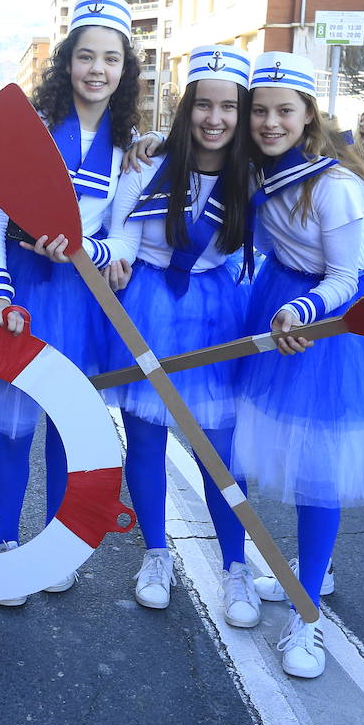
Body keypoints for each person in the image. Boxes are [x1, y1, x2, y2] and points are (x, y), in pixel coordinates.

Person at [233, 51, 364, 679]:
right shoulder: (255, 172)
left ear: (308, 115)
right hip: (282, 309)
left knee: (318, 470)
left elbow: (350, 273)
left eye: (283, 111)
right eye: (259, 111)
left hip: (333, 325)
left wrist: (303, 307)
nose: (269, 123)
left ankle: (308, 612)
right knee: (288, 459)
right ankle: (310, 573)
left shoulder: (337, 184)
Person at [0, 0, 154, 604]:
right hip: (25, 296)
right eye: (85, 56)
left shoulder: (132, 149)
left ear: (124, 69)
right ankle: (5, 545)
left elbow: (125, 238)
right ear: (67, 63)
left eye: (110, 58)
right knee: (13, 431)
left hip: (81, 303)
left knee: (64, 430)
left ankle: (54, 548)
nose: (96, 69)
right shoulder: (29, 134)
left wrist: (84, 249)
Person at [100, 46, 256, 627]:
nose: (214, 119)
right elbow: (122, 237)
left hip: (220, 312)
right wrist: (113, 261)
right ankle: (156, 556)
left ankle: (235, 567)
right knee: (145, 444)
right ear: (187, 107)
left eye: (228, 108)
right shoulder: (146, 163)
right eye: (203, 106)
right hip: (149, 307)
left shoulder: (254, 173)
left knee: (221, 451)